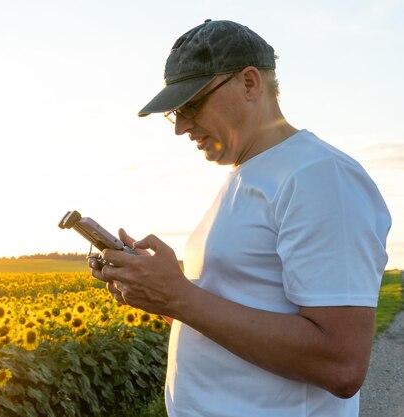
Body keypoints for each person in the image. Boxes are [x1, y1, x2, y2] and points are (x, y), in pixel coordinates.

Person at [89, 19, 391, 417]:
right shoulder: (248, 175)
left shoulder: (319, 176)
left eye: (191, 104)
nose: (180, 126)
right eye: (174, 113)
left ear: (250, 83)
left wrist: (180, 296)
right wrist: (158, 292)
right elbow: (232, 306)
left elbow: (342, 364)